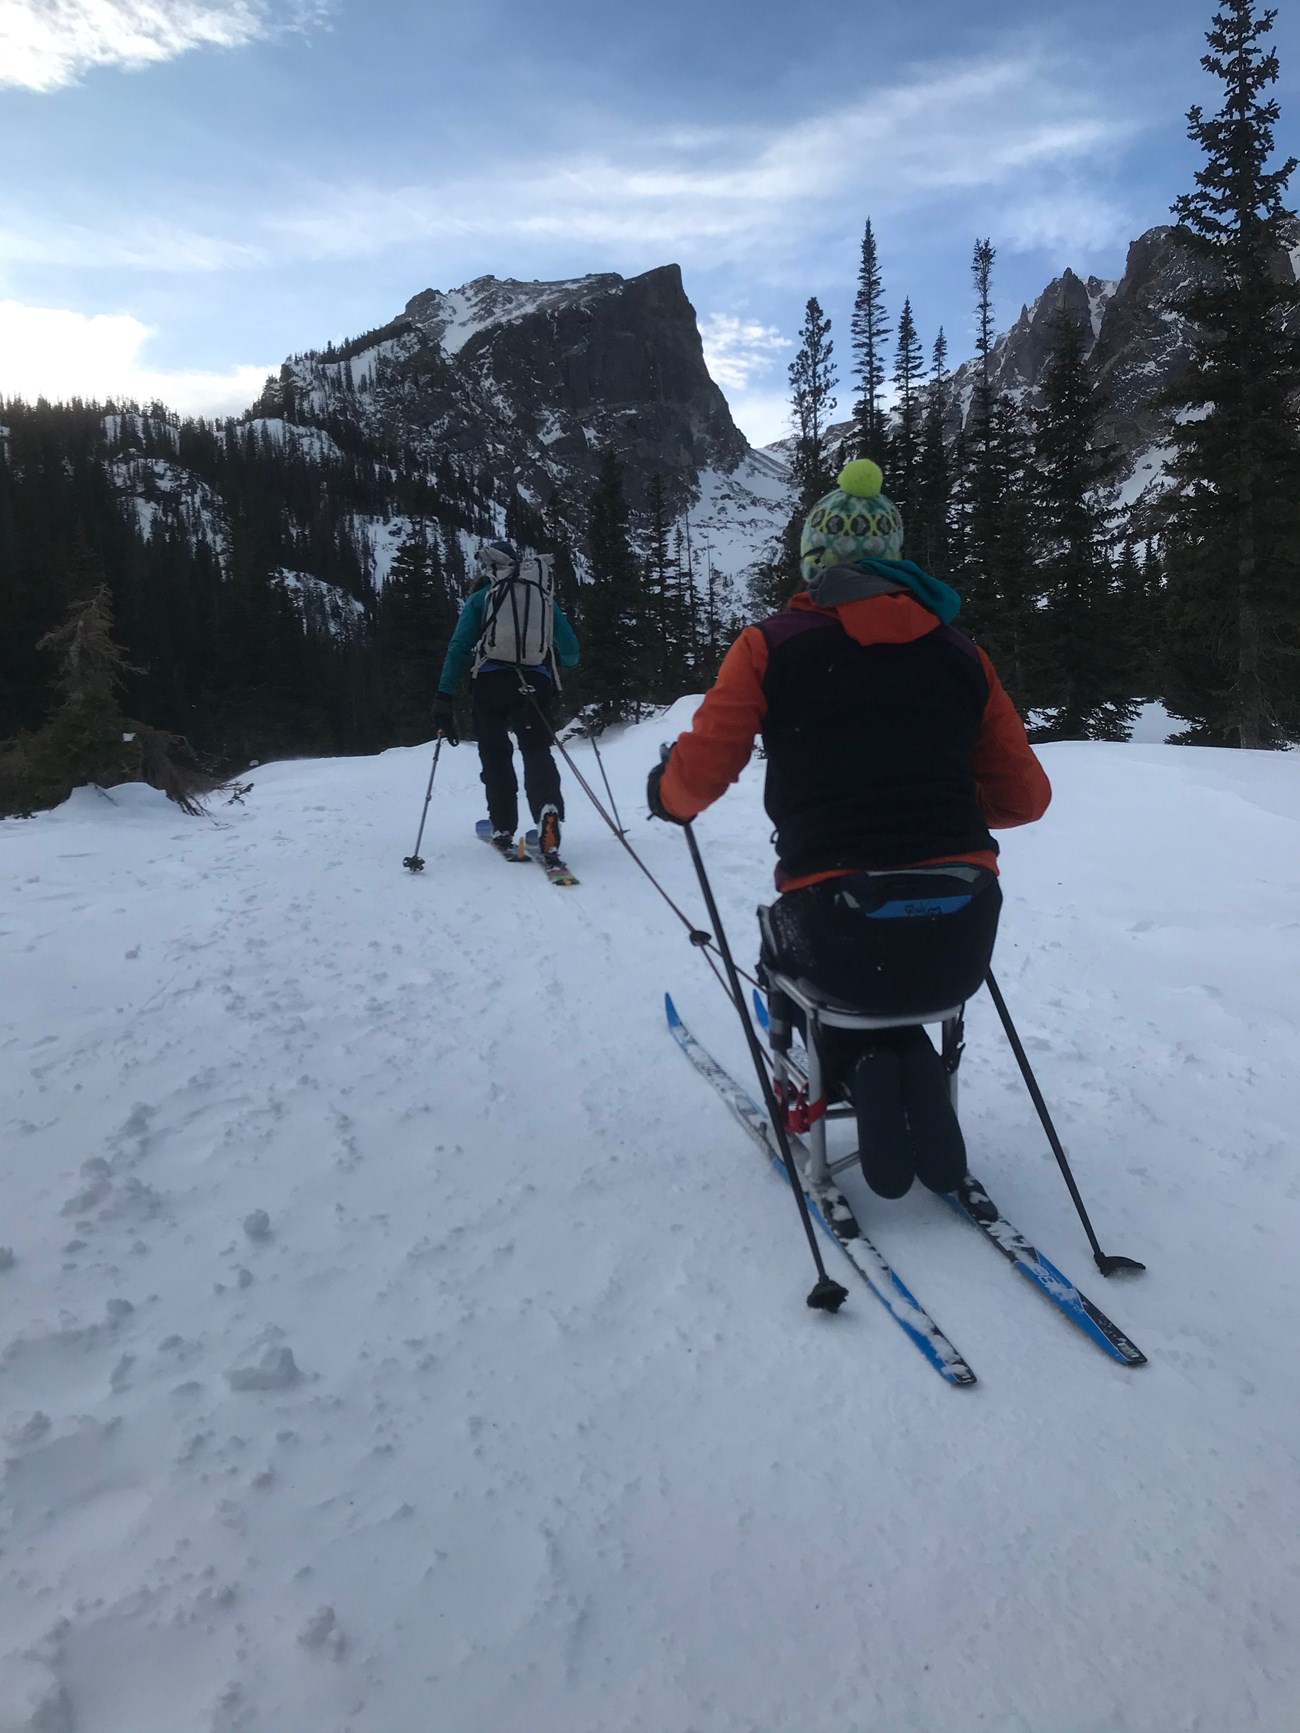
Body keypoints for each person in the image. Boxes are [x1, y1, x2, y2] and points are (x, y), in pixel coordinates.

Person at [646, 459, 1051, 1199]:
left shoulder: (771, 644)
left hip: (834, 919)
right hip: (961, 929)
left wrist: (667, 796)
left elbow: (700, 774)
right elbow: (1025, 799)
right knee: (897, 952)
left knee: (796, 950)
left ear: (814, 560)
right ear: (895, 561)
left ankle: (848, 1066)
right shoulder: (963, 654)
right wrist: (946, 801)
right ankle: (906, 1063)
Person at [433, 540, 580, 857]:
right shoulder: (541, 596)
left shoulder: (480, 598)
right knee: (536, 750)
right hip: (535, 684)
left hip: (491, 684)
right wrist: (554, 660)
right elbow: (572, 652)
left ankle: (502, 827)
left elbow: (458, 648)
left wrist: (444, 695)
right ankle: (547, 810)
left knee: (496, 754)